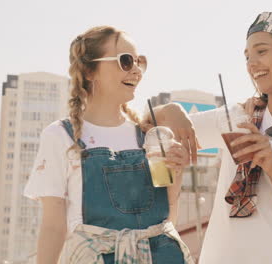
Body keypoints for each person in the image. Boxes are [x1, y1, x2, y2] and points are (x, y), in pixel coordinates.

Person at [143, 12, 272, 264]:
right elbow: (149, 122)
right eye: (247, 56)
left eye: (261, 51)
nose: (252, 63)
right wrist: (171, 110)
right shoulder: (237, 116)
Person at [24, 26, 193, 264]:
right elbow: (53, 226)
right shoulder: (61, 136)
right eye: (125, 61)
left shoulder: (149, 137)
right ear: (89, 71)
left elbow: (167, 220)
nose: (136, 70)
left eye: (139, 61)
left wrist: (176, 173)